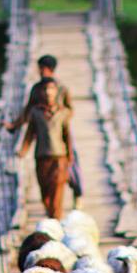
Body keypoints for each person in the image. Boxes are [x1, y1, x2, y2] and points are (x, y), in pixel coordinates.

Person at [5, 54, 83, 209]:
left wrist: (60, 116)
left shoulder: (61, 88)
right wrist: (14, 126)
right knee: (44, 184)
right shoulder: (36, 89)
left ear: (48, 69)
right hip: (42, 133)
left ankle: (77, 192)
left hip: (60, 130)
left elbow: (70, 109)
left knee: (72, 168)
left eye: (41, 68)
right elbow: (28, 113)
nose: (40, 71)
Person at [13, 78, 73, 219]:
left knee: (57, 190)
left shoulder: (63, 113)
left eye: (51, 89)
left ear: (56, 92)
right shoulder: (35, 113)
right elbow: (30, 134)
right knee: (45, 193)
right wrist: (23, 150)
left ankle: (56, 220)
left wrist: (70, 155)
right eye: (45, 89)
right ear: (41, 93)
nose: (48, 92)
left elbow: (67, 136)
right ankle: (51, 214)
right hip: (41, 157)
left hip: (59, 157)